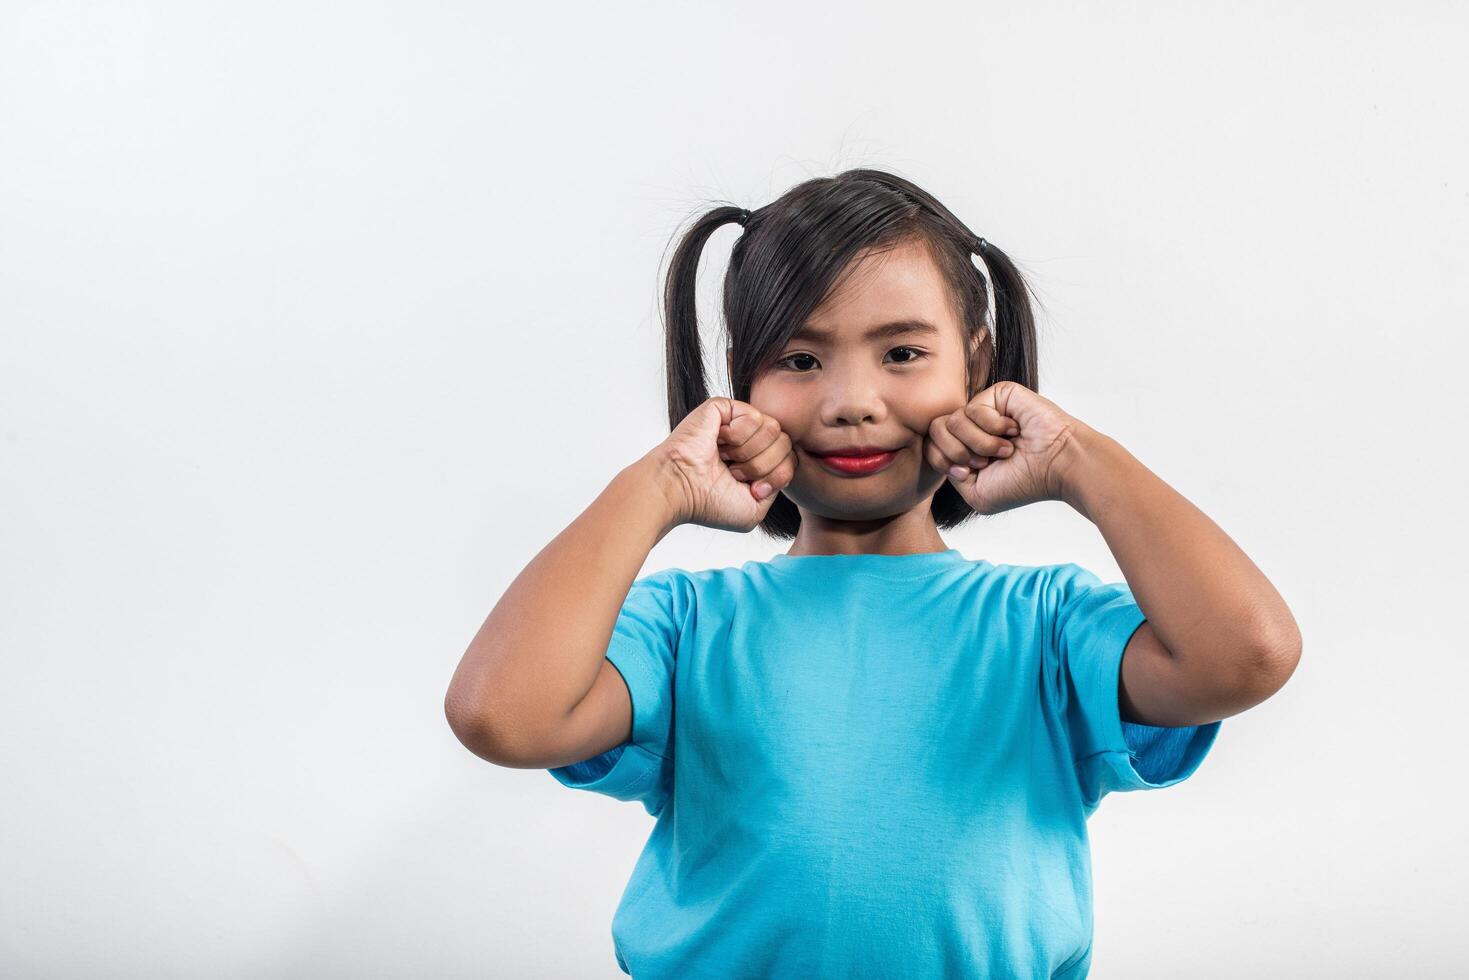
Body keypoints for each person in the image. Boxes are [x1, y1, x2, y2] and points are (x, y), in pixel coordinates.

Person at [444, 168, 1302, 979]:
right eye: (799, 359)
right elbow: (500, 715)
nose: (850, 401)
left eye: (900, 353)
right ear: (738, 385)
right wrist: (659, 483)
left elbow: (1248, 655)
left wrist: (1080, 457)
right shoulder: (682, 627)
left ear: (976, 363)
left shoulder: (1044, 623)